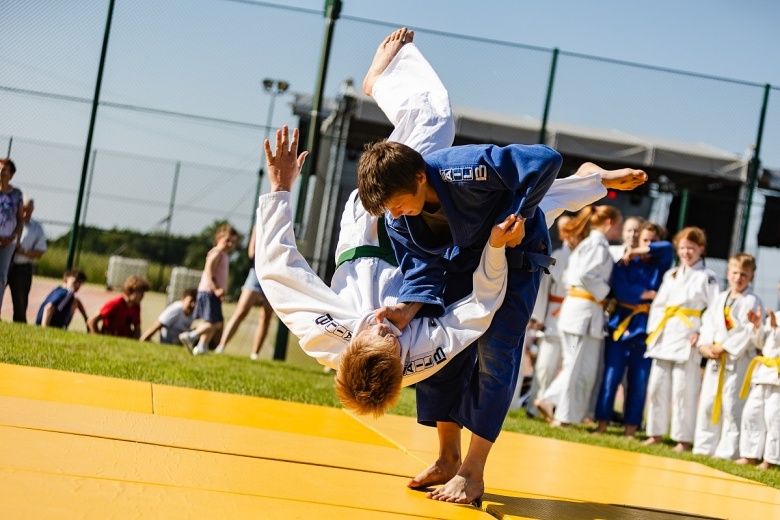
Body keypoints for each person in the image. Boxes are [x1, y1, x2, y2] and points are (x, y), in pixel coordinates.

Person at [256, 30, 621, 416]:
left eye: (374, 334)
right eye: (392, 340)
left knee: (434, 120)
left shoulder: (320, 335)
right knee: (521, 210)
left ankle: (379, 82)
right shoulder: (419, 357)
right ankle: (592, 181)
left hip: (366, 230)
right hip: (421, 248)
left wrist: (280, 190)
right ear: (399, 364)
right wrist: (496, 249)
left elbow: (277, 268)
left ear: (350, 351)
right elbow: (479, 308)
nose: (384, 327)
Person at [357, 31, 647, 504]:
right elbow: (421, 267)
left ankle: (472, 471)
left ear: (420, 176)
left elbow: (544, 160)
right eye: (388, 209)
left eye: (398, 203)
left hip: (515, 253)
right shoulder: (398, 217)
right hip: (463, 259)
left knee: (496, 355)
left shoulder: (462, 168)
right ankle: (446, 457)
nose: (395, 213)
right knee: (440, 347)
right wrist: (407, 309)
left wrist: (519, 216)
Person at [540, 205, 623, 427]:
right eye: (619, 225)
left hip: (580, 309)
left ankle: (553, 403)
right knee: (576, 366)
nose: (619, 230)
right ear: (608, 223)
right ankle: (562, 415)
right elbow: (587, 275)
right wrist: (607, 294)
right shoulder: (597, 245)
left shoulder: (589, 244)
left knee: (579, 366)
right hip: (583, 311)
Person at [594, 221, 673, 437]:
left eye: (652, 241)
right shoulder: (625, 262)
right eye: (644, 240)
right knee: (611, 378)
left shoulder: (661, 263)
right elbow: (620, 290)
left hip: (646, 328)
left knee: (639, 381)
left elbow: (668, 248)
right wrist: (647, 294)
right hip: (620, 324)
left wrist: (639, 250)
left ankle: (631, 428)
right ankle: (602, 423)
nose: (648, 244)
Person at [643, 227, 719, 451]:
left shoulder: (707, 277)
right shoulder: (671, 275)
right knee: (657, 386)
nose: (686, 252)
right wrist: (654, 332)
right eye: (683, 248)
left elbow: (714, 311)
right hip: (665, 334)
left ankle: (683, 439)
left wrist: (703, 334)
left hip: (688, 337)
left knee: (683, 390)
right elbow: (659, 306)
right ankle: (655, 433)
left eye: (691, 248)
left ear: (701, 249)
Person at [692, 253, 762, 459]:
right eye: (735, 273)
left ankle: (729, 451)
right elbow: (708, 324)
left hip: (737, 360)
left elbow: (749, 331)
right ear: (728, 273)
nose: (738, 278)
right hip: (715, 357)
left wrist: (726, 348)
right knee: (708, 402)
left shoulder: (752, 301)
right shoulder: (720, 298)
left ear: (751, 277)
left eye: (744, 274)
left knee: (732, 405)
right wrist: (705, 346)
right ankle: (704, 447)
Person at [525, 213, 573, 417]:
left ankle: (553, 406)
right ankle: (533, 406)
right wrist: (538, 316)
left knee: (566, 365)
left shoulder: (581, 255)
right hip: (554, 313)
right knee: (545, 364)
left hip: (573, 312)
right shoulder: (559, 255)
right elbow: (544, 287)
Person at [214, 225, 275, 359]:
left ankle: (254, 354)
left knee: (266, 316)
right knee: (241, 311)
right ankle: (221, 347)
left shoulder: (283, 223)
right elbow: (251, 253)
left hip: (274, 276)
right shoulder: (259, 225)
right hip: (256, 273)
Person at [179, 224, 239, 355]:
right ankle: (191, 336)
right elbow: (209, 271)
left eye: (233, 242)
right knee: (217, 323)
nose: (230, 244)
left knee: (210, 321)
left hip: (212, 294)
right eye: (227, 240)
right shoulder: (217, 253)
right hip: (209, 292)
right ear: (218, 238)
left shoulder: (223, 255)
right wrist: (216, 289)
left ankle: (202, 346)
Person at [737, 306, 780, 470]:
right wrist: (757, 326)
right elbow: (761, 343)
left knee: (774, 418)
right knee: (751, 413)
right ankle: (750, 455)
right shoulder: (774, 316)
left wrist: (776, 329)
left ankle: (771, 459)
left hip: (777, 376)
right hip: (764, 373)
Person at [7, 195, 47, 323]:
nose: (25, 213)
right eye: (23, 209)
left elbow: (40, 252)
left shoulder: (36, 228)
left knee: (20, 302)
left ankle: (19, 324)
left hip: (22, 268)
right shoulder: (7, 221)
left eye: (28, 210)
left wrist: (23, 252)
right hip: (4, 264)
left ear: (32, 210)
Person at [0, 158, 24, 318]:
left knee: (1, 277)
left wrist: (12, 237)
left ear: (11, 174)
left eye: (4, 169)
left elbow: (20, 219)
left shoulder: (16, 194)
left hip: (8, 242)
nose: (0, 172)